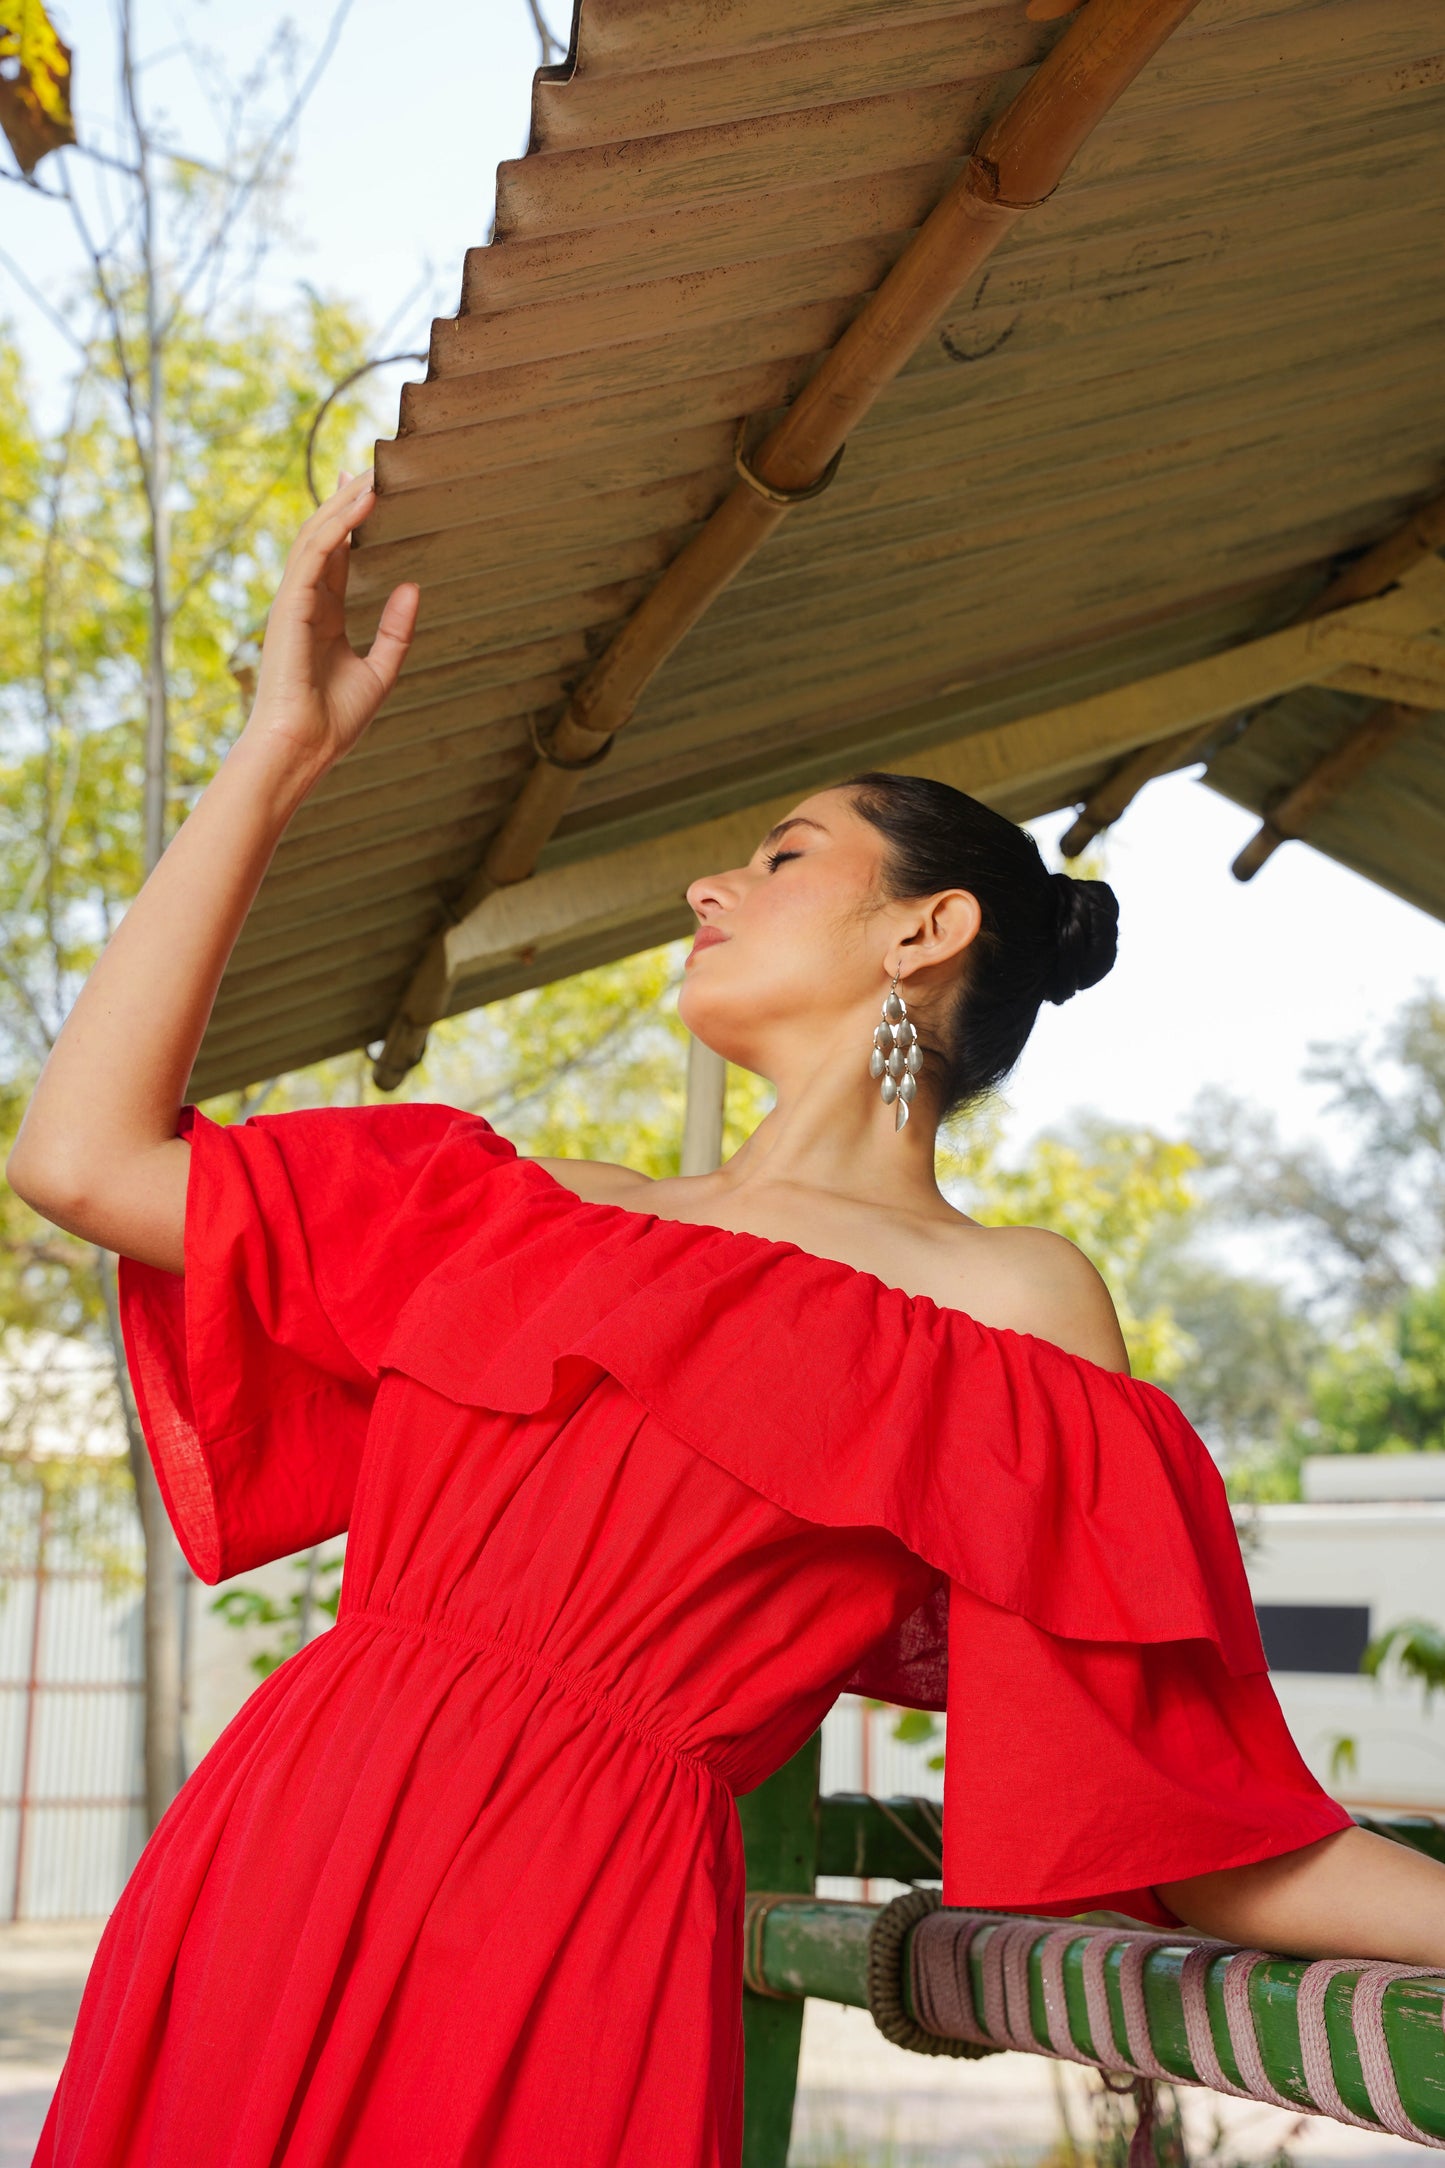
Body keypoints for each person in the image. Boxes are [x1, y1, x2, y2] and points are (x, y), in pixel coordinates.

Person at [9, 475, 1445, 2168]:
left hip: (578, 1924)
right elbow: (81, 1156)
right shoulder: (538, 1212)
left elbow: (1196, 1812)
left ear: (927, 928)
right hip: (278, 1855)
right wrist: (278, 756)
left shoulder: (1003, 1301)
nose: (708, 886)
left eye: (778, 856)